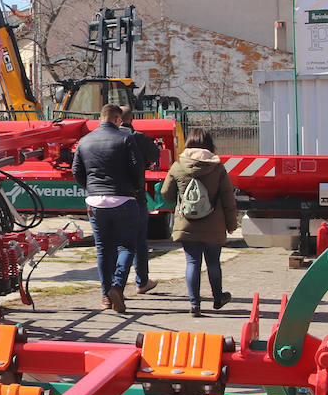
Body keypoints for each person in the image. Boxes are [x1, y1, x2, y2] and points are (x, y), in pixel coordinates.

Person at [72, 103, 144, 314]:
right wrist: (136, 188)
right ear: (116, 119)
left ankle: (105, 296)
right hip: (123, 198)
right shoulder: (125, 138)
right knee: (127, 247)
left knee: (103, 248)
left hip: (95, 202)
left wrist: (91, 188)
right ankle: (117, 286)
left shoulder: (84, 141)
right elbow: (137, 167)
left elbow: (77, 170)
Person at [160, 127, 238, 317]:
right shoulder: (217, 167)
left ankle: (195, 304)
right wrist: (231, 224)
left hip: (187, 225)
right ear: (210, 144)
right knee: (213, 262)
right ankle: (218, 297)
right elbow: (228, 198)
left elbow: (166, 194)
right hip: (214, 224)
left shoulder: (178, 166)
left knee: (192, 262)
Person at [120, 106, 160, 296]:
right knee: (138, 243)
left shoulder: (103, 138)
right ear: (132, 119)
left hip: (109, 196)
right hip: (136, 196)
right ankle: (141, 281)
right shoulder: (140, 139)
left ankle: (112, 286)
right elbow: (155, 155)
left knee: (112, 244)